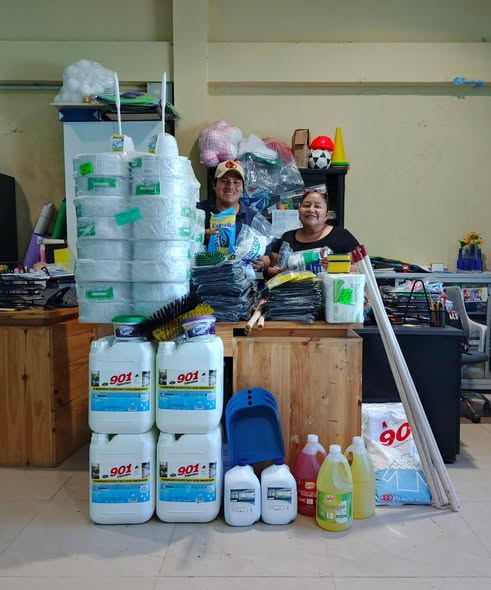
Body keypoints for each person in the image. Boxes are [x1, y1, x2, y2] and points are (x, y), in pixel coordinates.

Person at [261, 189, 359, 277]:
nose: (311, 210)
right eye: (306, 206)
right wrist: (275, 271)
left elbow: (361, 269)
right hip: (293, 291)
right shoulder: (287, 237)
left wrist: (336, 267)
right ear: (299, 211)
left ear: (327, 215)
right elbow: (270, 269)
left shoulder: (341, 236)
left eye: (317, 206)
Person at [197, 159, 263, 270]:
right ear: (214, 185)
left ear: (243, 188)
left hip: (240, 278)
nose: (230, 186)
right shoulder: (199, 210)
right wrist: (201, 236)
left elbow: (267, 257)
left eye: (236, 182)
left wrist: (261, 263)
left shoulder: (253, 218)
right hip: (203, 277)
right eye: (224, 181)